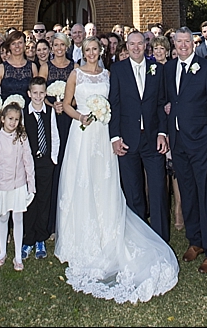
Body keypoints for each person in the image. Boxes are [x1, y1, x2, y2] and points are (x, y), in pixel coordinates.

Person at [54, 36, 180, 302]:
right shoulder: (91, 73)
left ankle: (158, 238)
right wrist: (86, 119)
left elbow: (157, 103)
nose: (91, 53)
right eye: (87, 49)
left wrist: (158, 131)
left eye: (94, 49)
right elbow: (78, 104)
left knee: (138, 188)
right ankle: (86, 235)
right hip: (93, 134)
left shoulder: (117, 72)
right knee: (89, 183)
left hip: (123, 135)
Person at [164, 30, 207, 272]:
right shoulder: (169, 69)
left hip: (201, 141)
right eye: (179, 42)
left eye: (187, 42)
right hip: (178, 142)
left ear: (194, 44)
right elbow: (169, 100)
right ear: (174, 45)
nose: (183, 46)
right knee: (187, 193)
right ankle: (195, 240)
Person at [108, 31, 169, 235]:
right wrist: (115, 137)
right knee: (134, 192)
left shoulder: (157, 69)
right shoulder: (118, 70)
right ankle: (139, 237)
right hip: (127, 139)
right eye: (132, 44)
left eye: (140, 44)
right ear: (127, 46)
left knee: (158, 189)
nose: (136, 48)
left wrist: (162, 132)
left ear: (146, 46)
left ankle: (160, 238)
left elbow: (161, 103)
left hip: (152, 138)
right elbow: (114, 105)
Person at [0, 99, 36, 270]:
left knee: (18, 218)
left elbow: (28, 161)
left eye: (16, 119)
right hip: (1, 186)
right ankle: (2, 252)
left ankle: (17, 256)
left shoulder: (22, 137)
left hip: (19, 185)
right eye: (10, 119)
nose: (13, 122)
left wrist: (31, 185)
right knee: (3, 217)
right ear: (3, 119)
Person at [22, 76, 67, 260]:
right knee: (30, 200)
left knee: (44, 199)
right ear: (29, 94)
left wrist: (53, 159)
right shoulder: (24, 113)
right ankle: (28, 238)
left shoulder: (49, 112)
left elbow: (55, 135)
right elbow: (22, 138)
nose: (38, 96)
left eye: (42, 93)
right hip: (29, 164)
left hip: (46, 163)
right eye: (35, 93)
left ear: (46, 93)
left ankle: (41, 237)